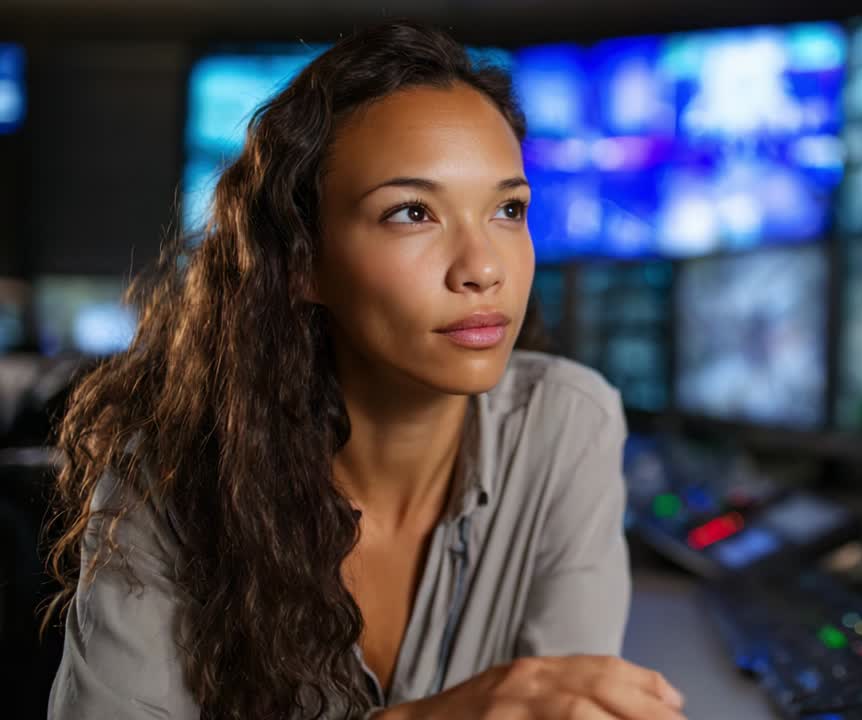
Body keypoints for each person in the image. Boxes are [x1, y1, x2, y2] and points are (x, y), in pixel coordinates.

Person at [45, 21, 686, 720]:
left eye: (508, 209)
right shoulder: (164, 474)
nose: (483, 268)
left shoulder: (567, 426)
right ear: (301, 263)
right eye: (412, 212)